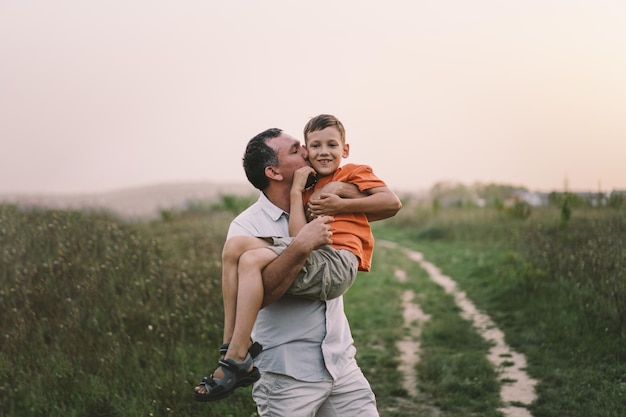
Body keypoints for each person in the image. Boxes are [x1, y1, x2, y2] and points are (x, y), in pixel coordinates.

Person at [195, 122, 401, 416]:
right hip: (288, 375)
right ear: (274, 172)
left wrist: (341, 190)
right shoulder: (247, 225)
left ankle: (234, 354)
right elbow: (256, 295)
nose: (309, 151)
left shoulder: (320, 192)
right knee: (240, 253)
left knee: (247, 257)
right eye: (298, 149)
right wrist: (300, 245)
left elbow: (386, 204)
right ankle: (232, 352)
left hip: (340, 362)